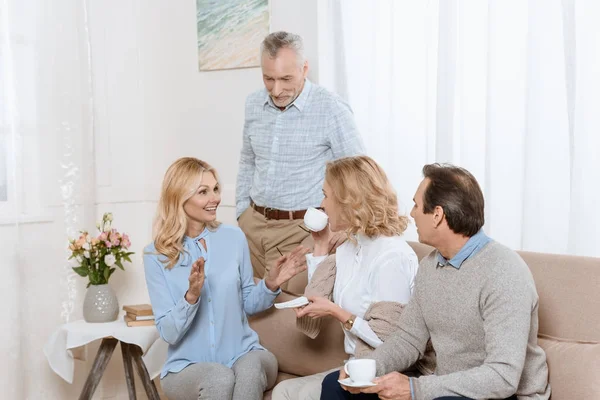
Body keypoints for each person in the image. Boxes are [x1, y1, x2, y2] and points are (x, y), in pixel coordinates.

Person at [321, 163, 551, 400]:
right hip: (447, 390)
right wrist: (364, 369)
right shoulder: (431, 266)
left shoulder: (504, 271)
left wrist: (415, 389)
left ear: (438, 215)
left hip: (503, 395)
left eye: (416, 205)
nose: (411, 214)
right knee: (335, 385)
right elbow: (407, 339)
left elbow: (502, 377)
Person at [143, 157, 309, 400]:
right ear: (180, 197)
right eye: (203, 192)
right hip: (187, 367)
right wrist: (191, 297)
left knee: (249, 371)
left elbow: (249, 303)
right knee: (219, 377)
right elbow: (169, 333)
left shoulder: (233, 238)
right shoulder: (155, 255)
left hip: (245, 353)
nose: (215, 198)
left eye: (216, 189)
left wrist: (271, 283)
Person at [271, 155, 421, 400]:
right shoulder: (350, 247)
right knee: (283, 391)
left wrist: (338, 313)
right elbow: (318, 294)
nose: (322, 204)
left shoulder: (391, 257)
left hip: (386, 370)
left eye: (326, 195)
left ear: (347, 201)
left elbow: (392, 342)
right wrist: (320, 246)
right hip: (356, 364)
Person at [236, 31, 365, 289]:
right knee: (253, 310)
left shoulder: (330, 108)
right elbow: (248, 160)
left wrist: (344, 226)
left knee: (295, 314)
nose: (276, 89)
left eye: (286, 79)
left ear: (305, 68)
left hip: (302, 230)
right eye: (268, 78)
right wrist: (242, 213)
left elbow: (359, 173)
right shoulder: (252, 104)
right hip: (252, 227)